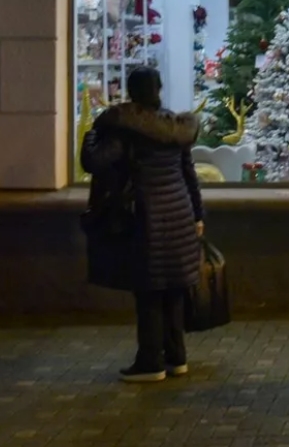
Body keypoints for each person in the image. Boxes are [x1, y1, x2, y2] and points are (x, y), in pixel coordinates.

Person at [81, 66, 205, 383]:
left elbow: (94, 162)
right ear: (159, 89)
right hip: (178, 213)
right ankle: (177, 357)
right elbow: (189, 174)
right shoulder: (173, 126)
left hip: (145, 217)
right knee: (174, 288)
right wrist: (198, 215)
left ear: (132, 91)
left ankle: (150, 362)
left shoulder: (125, 128)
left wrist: (91, 134)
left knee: (149, 290)